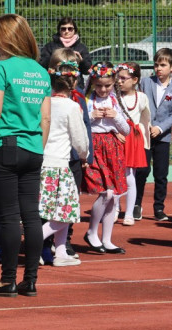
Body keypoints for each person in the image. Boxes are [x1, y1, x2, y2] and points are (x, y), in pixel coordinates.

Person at [0, 14, 51, 298]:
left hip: (5, 146)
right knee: (31, 216)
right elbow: (45, 118)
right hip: (33, 147)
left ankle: (7, 280)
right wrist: (38, 147)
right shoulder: (41, 72)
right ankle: (30, 280)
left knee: (8, 216)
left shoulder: (1, 68)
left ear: (7, 38)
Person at [39, 62, 89, 266]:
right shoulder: (71, 106)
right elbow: (79, 138)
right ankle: (35, 239)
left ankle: (60, 252)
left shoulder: (44, 102)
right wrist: (84, 154)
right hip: (59, 165)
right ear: (74, 83)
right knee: (65, 211)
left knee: (53, 209)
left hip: (42, 162)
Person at [83, 63, 131, 254]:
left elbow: (126, 130)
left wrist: (115, 117)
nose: (103, 90)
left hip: (112, 147)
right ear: (93, 83)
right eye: (99, 86)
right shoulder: (87, 100)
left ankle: (107, 239)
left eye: (107, 85)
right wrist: (92, 116)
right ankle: (91, 232)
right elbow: (79, 123)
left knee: (114, 196)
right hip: (94, 146)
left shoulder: (115, 101)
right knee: (106, 193)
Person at [134, 48, 172, 222]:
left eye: (163, 65)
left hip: (162, 137)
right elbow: (138, 104)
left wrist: (160, 128)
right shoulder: (145, 82)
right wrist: (146, 125)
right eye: (156, 65)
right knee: (142, 171)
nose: (158, 68)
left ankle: (159, 207)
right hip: (144, 136)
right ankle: (136, 205)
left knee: (161, 174)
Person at [115, 63, 151, 226]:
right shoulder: (114, 96)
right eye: (118, 78)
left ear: (135, 80)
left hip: (133, 140)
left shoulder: (141, 97)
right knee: (116, 176)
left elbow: (145, 120)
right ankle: (115, 208)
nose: (119, 81)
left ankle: (129, 213)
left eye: (124, 78)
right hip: (117, 138)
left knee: (130, 177)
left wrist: (144, 142)